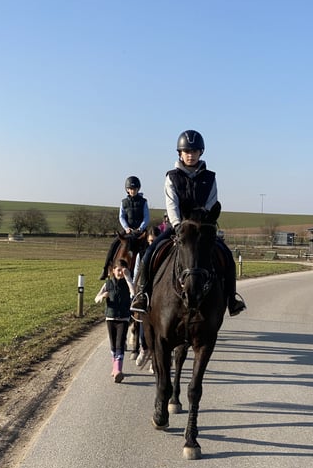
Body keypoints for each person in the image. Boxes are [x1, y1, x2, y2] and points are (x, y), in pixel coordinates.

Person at [131, 130, 246, 317]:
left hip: (202, 228)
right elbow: (171, 203)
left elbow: (211, 202)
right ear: (180, 153)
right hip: (178, 227)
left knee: (227, 256)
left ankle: (231, 299)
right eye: (186, 151)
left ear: (201, 152)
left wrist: (202, 220)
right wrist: (177, 225)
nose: (190, 155)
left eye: (194, 151)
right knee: (150, 254)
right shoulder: (172, 177)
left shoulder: (210, 177)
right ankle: (142, 295)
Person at [99, 176, 150, 280]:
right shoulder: (124, 202)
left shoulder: (144, 201)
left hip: (140, 231)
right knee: (114, 244)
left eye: (135, 189)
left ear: (138, 189)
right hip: (128, 231)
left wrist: (141, 228)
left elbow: (146, 217)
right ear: (127, 190)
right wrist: (126, 228)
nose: (133, 191)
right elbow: (121, 217)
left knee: (151, 246)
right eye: (130, 189)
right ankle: (105, 269)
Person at [95, 258, 135, 383]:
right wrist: (102, 296)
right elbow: (96, 298)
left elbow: (133, 292)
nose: (120, 273)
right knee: (113, 344)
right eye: (118, 270)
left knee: (120, 344)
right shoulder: (108, 284)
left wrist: (128, 278)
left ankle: (118, 370)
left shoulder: (127, 283)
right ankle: (115, 368)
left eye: (123, 270)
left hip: (123, 318)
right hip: (110, 318)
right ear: (113, 270)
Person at [132, 226, 161, 369]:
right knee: (144, 327)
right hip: (146, 293)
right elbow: (137, 273)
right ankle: (144, 348)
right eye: (150, 241)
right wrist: (134, 292)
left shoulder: (164, 253)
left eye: (155, 241)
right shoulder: (142, 254)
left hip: (160, 293)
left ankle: (156, 359)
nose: (152, 244)